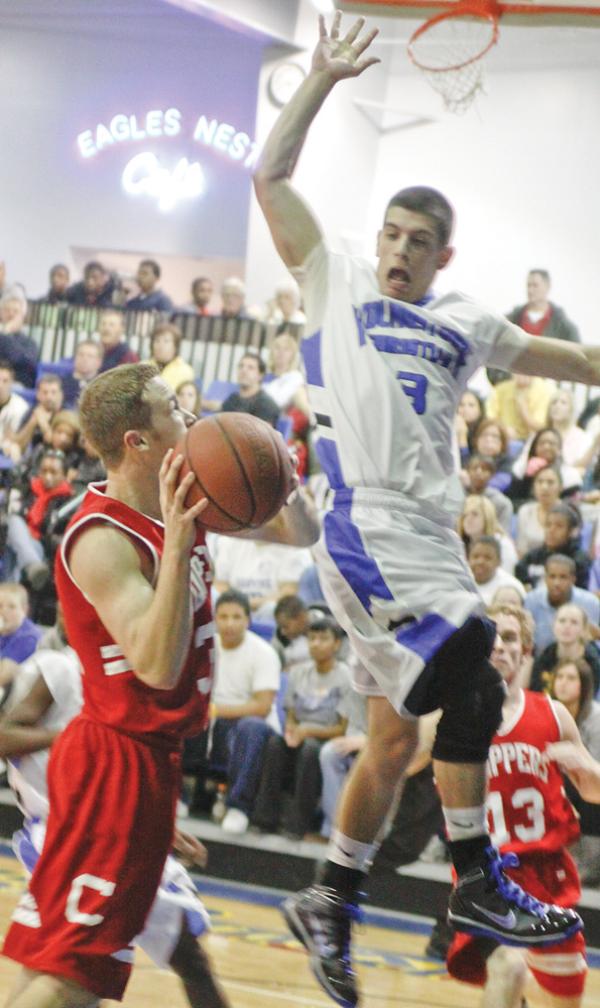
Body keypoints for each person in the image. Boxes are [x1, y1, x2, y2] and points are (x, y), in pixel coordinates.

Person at [253, 12, 597, 1003]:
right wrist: (318, 81)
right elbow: (269, 181)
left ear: (445, 256)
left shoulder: (463, 318)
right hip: (367, 524)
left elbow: (573, 361)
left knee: (399, 741)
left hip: (434, 541)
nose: (400, 249)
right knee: (475, 675)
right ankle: (479, 883)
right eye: (392, 234)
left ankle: (330, 896)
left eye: (419, 241)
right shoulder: (335, 280)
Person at [1, 362, 319, 1007]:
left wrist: (283, 477)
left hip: (141, 763)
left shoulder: (191, 499)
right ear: (136, 442)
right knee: (75, 977)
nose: (193, 418)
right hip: (115, 762)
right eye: (174, 409)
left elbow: (301, 533)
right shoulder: (102, 537)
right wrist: (177, 543)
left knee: (64, 962)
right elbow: (155, 664)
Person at [0, 647, 232, 1008]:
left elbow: (120, 771)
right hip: (78, 835)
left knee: (76, 973)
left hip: (110, 825)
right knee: (80, 974)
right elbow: (4, 737)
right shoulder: (60, 666)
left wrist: (160, 825)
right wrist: (71, 737)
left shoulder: (130, 673)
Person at [447, 604, 600, 1008]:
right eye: (491, 637)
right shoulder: (453, 715)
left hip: (547, 878)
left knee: (565, 1001)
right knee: (508, 968)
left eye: (511, 637)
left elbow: (594, 791)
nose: (500, 646)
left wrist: (590, 769)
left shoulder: (553, 714)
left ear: (527, 648)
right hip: (487, 878)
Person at [252, 616, 350, 838]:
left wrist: (307, 731)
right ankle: (264, 819)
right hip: (300, 733)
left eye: (323, 638)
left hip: (327, 738)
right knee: (276, 744)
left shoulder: (346, 677)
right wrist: (291, 731)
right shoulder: (298, 672)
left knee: (309, 751)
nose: (316, 643)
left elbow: (342, 728)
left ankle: (297, 825)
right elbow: (290, 715)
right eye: (312, 638)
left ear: (336, 644)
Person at [206, 589, 281, 835]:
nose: (229, 623)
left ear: (248, 620)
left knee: (250, 727)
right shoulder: (205, 647)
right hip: (212, 721)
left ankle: (238, 807)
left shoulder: (264, 653)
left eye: (236, 617)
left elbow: (262, 707)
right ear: (214, 619)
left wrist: (215, 710)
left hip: (253, 726)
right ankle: (178, 796)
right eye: (223, 616)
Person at [550, 657, 600, 887]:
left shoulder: (596, 720)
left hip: (590, 798)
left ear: (585, 684)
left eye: (571, 678)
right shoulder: (547, 713)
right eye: (559, 677)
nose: (563, 683)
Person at [525, 554, 600, 654]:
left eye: (563, 577)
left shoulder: (591, 603)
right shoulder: (531, 601)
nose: (556, 583)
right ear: (545, 578)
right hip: (540, 663)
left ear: (573, 580)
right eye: (552, 576)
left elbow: (593, 643)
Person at [516, 502, 590, 591]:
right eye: (548, 525)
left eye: (559, 526)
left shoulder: (578, 560)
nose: (551, 530)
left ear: (571, 532)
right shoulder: (532, 557)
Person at [532, 605, 600, 694]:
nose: (567, 626)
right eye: (562, 621)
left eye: (574, 622)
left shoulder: (593, 663)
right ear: (554, 626)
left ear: (583, 629)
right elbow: (536, 692)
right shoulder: (544, 658)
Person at [457, 495, 517, 574]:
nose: (468, 519)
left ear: (487, 517)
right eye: (465, 515)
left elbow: (507, 575)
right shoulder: (459, 545)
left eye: (475, 514)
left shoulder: (503, 544)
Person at [486, 372, 553, 442]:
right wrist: (504, 429)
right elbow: (490, 419)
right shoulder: (501, 389)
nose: (521, 375)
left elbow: (540, 428)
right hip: (504, 439)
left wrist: (523, 409)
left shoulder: (545, 390)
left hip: (533, 440)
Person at [220, 352, 280, 428]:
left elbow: (262, 437)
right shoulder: (232, 399)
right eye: (241, 366)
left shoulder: (266, 405)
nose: (243, 370)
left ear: (260, 375)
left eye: (250, 368)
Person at [515, 464, 562, 556]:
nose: (544, 487)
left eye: (550, 482)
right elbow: (521, 549)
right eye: (540, 482)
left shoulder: (568, 513)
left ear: (561, 487)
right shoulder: (525, 511)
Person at [461, 454, 513, 534]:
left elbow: (503, 534)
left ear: (492, 475)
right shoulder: (456, 498)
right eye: (474, 468)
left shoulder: (502, 503)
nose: (479, 472)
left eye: (484, 469)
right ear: (467, 471)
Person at [468, 537, 525, 607]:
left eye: (487, 558)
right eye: (475, 556)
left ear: (499, 562)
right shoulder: (460, 581)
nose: (480, 562)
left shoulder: (511, 586)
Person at [0, 295, 39, 389]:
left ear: (23, 316)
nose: (11, 314)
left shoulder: (30, 343)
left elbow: (18, 359)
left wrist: (5, 333)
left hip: (16, 386)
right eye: (7, 310)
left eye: (15, 311)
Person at [147, 322, 194, 391]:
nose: (161, 345)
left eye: (166, 341)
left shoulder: (185, 371)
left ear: (175, 346)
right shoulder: (142, 366)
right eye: (157, 341)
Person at [60, 340, 102, 409]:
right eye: (81, 355)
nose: (84, 359)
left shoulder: (103, 387)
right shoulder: (60, 384)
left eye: (90, 356)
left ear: (99, 362)